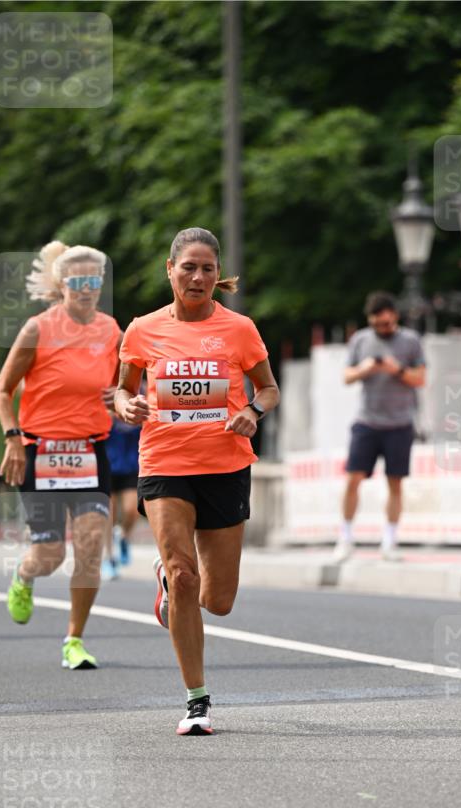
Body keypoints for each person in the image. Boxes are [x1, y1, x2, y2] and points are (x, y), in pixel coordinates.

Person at [115, 227, 279, 735]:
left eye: (207, 268)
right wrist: (127, 406)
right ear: (170, 270)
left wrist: (252, 411)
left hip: (225, 466)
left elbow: (268, 388)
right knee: (185, 575)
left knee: (219, 599)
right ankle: (197, 701)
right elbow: (120, 391)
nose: (198, 277)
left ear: (217, 274)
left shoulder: (239, 328)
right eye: (188, 267)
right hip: (164, 464)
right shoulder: (142, 329)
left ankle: (169, 582)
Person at [0, 241, 121, 668]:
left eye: (93, 280)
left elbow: (121, 385)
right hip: (41, 452)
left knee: (90, 547)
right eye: (77, 281)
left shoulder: (111, 331)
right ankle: (24, 574)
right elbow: (3, 390)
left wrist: (120, 397)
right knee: (50, 556)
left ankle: (74, 640)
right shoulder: (38, 329)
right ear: (62, 284)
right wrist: (13, 438)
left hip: (89, 451)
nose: (86, 289)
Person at [334, 290, 426, 561]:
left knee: (395, 483)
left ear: (395, 317)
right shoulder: (360, 340)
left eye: (386, 323)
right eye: (377, 324)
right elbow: (347, 376)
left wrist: (396, 369)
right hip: (367, 421)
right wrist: (366, 368)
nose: (382, 328)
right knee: (353, 479)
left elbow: (420, 378)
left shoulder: (410, 341)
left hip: (400, 423)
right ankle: (345, 537)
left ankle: (389, 541)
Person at [101, 415, 141, 580]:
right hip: (107, 465)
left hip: (131, 466)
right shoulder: (107, 406)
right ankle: (108, 559)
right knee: (107, 513)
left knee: (132, 510)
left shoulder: (141, 402)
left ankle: (124, 536)